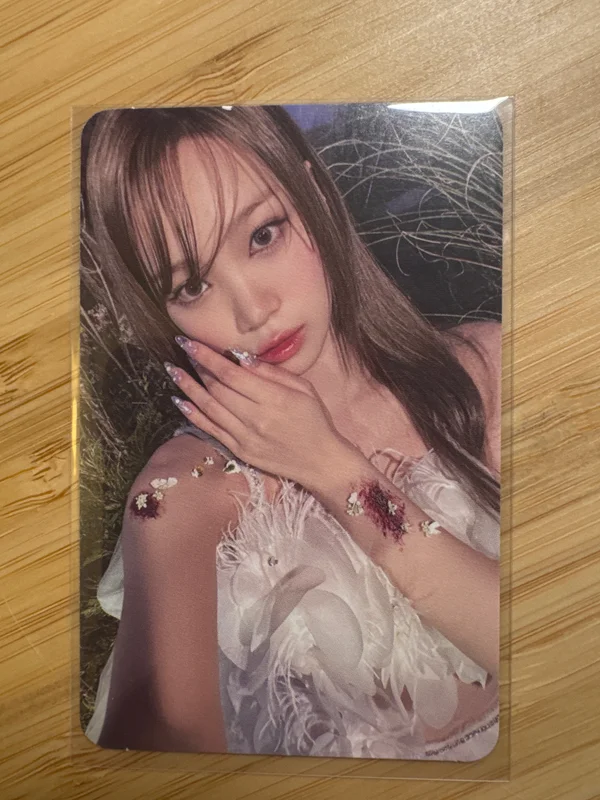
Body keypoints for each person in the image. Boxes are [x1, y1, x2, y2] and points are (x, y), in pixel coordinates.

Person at [81, 105, 501, 761]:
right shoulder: (182, 495)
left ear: (316, 197)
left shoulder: (490, 372)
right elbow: (157, 754)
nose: (253, 310)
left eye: (263, 235)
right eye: (191, 285)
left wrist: (334, 470)